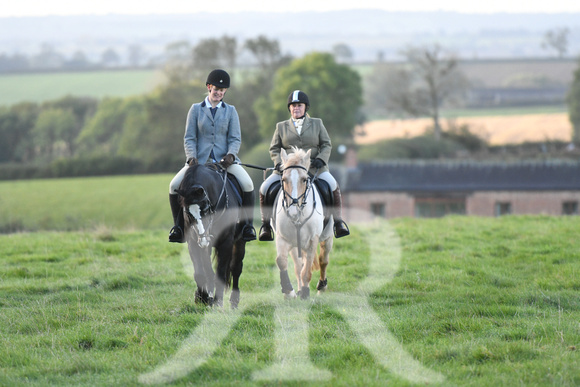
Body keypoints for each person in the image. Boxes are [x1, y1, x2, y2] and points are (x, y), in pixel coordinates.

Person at [168, 69, 257, 243]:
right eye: (216, 89)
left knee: (248, 183)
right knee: (174, 185)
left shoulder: (231, 111)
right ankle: (178, 227)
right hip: (198, 162)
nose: (219, 93)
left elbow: (235, 138)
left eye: (222, 90)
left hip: (225, 162)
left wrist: (231, 155)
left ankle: (247, 226)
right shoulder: (195, 110)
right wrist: (192, 158)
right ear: (209, 87)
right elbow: (189, 138)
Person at [258, 89, 350, 241]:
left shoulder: (317, 124)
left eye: (299, 105)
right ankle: (266, 226)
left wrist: (321, 158)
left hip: (314, 167)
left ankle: (338, 223)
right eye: (293, 106)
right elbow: (274, 149)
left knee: (333, 185)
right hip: (287, 169)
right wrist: (280, 163)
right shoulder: (281, 126)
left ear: (306, 107)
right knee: (264, 188)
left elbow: (326, 144)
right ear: (289, 108)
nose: (296, 108)